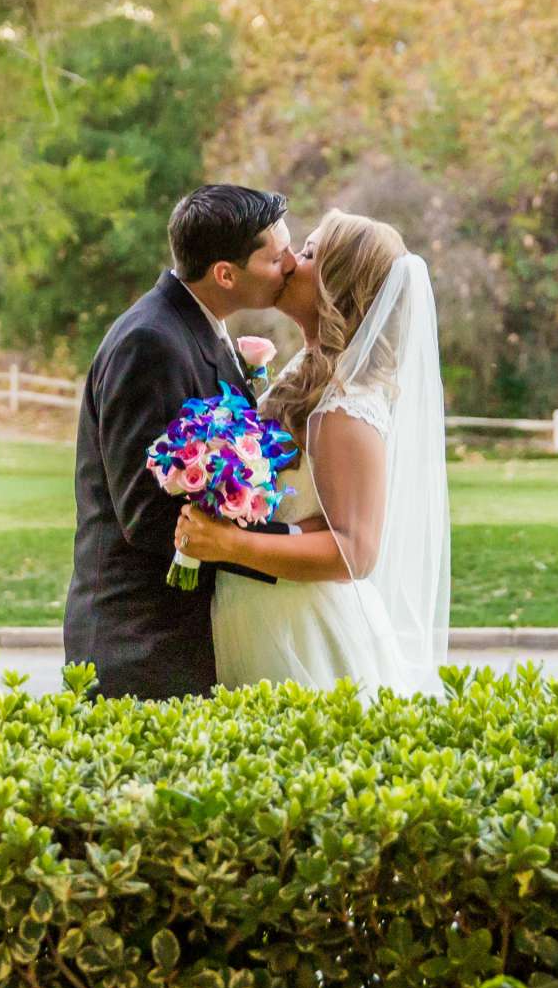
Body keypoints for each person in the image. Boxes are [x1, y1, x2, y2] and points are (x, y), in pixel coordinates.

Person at [177, 211, 451, 695]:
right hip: (261, 612)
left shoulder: (346, 404)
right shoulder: (309, 372)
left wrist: (231, 544)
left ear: (334, 286)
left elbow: (355, 552)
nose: (287, 261)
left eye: (306, 254)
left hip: (300, 632)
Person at [63, 184, 296, 699]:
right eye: (276, 256)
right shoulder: (150, 341)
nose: (290, 265)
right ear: (225, 273)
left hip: (184, 633)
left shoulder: (196, 327)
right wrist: (292, 548)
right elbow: (147, 516)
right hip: (141, 642)